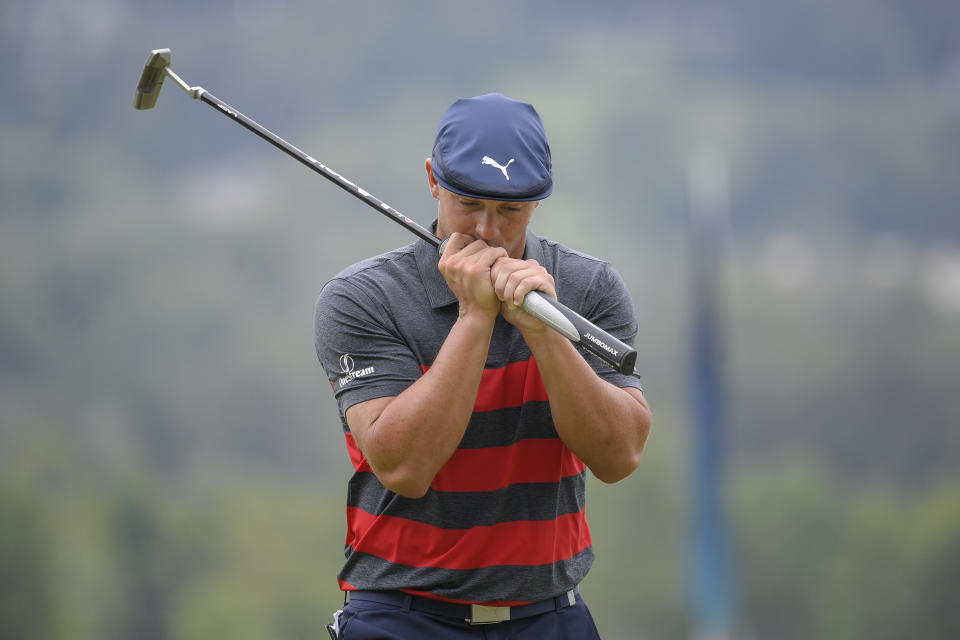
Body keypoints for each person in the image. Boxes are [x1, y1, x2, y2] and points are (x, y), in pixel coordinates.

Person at [314, 93, 651, 639]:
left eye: (510, 210)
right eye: (468, 204)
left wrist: (545, 335)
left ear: (539, 201)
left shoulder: (589, 288)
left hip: (549, 616)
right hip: (401, 615)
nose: (489, 231)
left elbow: (620, 455)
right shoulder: (363, 298)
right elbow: (404, 466)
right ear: (432, 180)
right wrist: (475, 316)